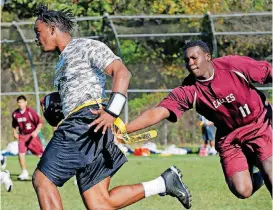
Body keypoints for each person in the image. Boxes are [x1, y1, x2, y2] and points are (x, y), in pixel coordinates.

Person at [32, 5, 192, 210]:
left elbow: (122, 72)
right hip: (93, 127)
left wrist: (111, 112)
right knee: (99, 203)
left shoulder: (84, 46)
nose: (37, 38)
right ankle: (163, 183)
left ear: (52, 29)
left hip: (84, 123)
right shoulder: (62, 60)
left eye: (39, 32)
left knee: (43, 180)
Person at [115, 40, 272, 200]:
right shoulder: (189, 89)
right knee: (242, 190)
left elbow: (269, 72)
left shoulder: (232, 65)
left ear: (207, 56)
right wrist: (124, 129)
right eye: (186, 60)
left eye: (194, 58)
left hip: (260, 126)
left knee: (271, 172)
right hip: (230, 138)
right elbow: (158, 112)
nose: (190, 63)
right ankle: (262, 176)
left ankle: (267, 173)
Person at [12, 95, 44, 180]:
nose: (20, 104)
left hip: (32, 136)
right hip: (22, 136)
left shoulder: (30, 112)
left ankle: (48, 170)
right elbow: (14, 125)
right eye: (19, 102)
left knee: (39, 154)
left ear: (26, 103)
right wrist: (14, 132)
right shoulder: (15, 114)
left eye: (22, 102)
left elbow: (40, 122)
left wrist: (36, 131)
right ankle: (24, 172)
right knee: (21, 153)